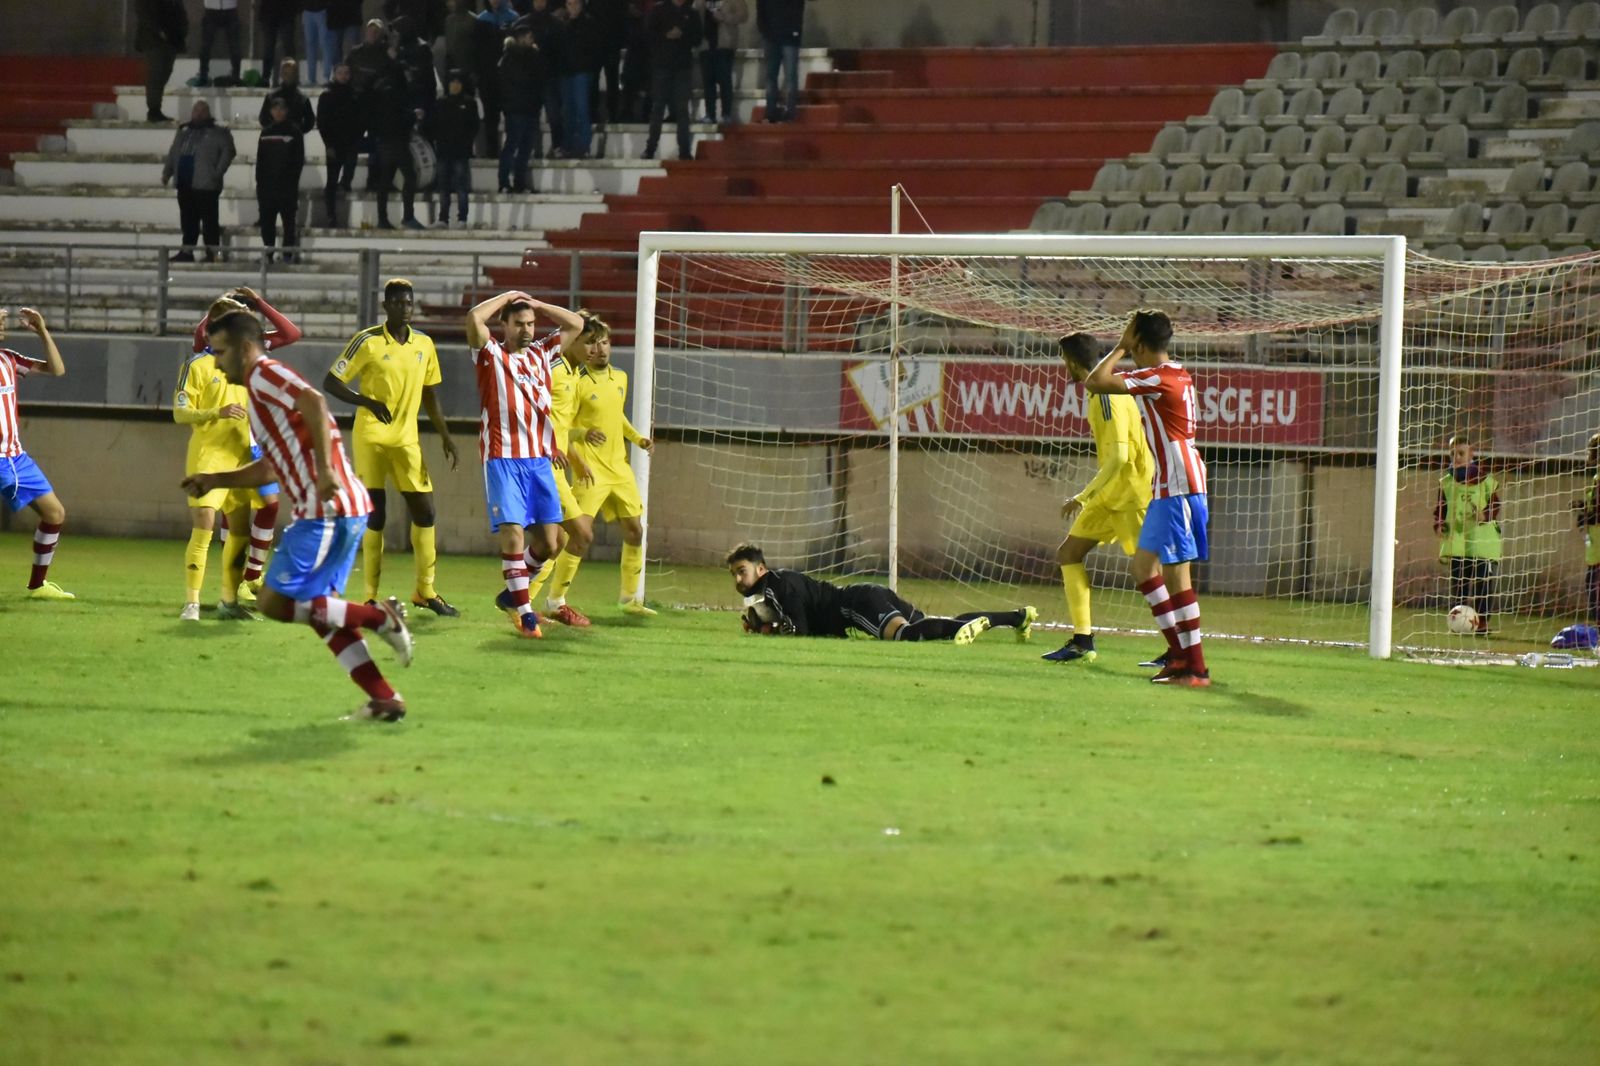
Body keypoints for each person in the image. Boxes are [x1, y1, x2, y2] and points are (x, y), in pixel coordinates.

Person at [181, 310, 414, 723]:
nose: (215, 362)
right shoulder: (256, 393)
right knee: (321, 613)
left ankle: (380, 617)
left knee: (273, 601)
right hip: (337, 508)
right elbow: (270, 466)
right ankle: (384, 699)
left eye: (219, 352)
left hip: (326, 508)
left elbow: (314, 400)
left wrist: (324, 471)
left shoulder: (263, 374)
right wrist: (215, 477)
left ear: (244, 347)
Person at [1083, 309, 1212, 686]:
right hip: (1165, 487)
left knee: (1177, 576)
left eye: (1129, 335)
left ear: (1138, 341)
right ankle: (1178, 655)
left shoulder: (1156, 377)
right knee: (1143, 569)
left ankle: (1197, 668)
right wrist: (1129, 341)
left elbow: (1096, 381)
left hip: (1180, 486)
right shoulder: (1177, 372)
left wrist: (1119, 348)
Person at [322, 280, 460, 615]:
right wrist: (365, 400)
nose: (404, 308)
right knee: (376, 514)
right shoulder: (366, 341)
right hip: (371, 437)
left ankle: (425, 592)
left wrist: (444, 434)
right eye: (397, 303)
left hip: (406, 440)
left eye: (408, 303)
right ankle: (370, 595)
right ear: (386, 305)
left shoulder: (424, 344)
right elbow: (331, 382)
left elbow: (429, 393)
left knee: (425, 512)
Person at [464, 290, 588, 638]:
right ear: (504, 324)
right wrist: (505, 298)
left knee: (551, 543)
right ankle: (525, 615)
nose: (527, 329)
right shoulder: (489, 354)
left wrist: (538, 304)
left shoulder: (543, 353)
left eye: (531, 323)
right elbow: (474, 319)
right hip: (503, 460)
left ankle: (511, 596)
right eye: (519, 323)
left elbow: (576, 324)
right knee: (513, 533)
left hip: (538, 461)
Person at [175, 290, 301, 620]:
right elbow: (180, 411)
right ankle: (192, 602)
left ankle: (236, 593)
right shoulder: (202, 360)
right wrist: (221, 306)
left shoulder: (248, 355)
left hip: (246, 451)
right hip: (210, 453)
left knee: (249, 522)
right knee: (207, 524)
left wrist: (257, 304)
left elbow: (291, 334)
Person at [1041, 332, 1155, 665]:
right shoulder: (1099, 391)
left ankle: (1178, 648)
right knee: (1069, 553)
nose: (1064, 367)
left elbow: (1119, 458)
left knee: (1149, 573)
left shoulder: (1106, 395)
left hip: (1131, 494)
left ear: (1074, 361)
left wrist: (1082, 495)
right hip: (1110, 494)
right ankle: (1082, 641)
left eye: (1064, 360)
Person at [727, 544, 1035, 642]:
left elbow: (802, 630)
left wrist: (769, 631)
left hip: (855, 604)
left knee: (905, 636)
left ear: (761, 569)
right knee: (927, 625)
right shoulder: (778, 585)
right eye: (734, 574)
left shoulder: (776, 586)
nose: (739, 579)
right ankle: (1017, 617)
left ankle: (962, 630)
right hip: (866, 594)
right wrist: (768, 626)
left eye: (742, 570)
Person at [562, 313, 659, 615]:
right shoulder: (575, 382)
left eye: (605, 342)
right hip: (589, 469)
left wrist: (637, 438)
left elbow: (616, 415)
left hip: (619, 468)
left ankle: (629, 600)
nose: (600, 349)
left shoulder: (621, 378)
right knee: (577, 536)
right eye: (593, 343)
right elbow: (562, 426)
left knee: (635, 531)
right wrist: (583, 433)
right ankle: (552, 598)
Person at [521, 313, 599, 626]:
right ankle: (545, 602)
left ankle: (520, 602)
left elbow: (562, 424)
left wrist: (575, 458)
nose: (593, 349)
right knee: (581, 534)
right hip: (541, 465)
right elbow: (528, 409)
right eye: (588, 342)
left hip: (554, 465)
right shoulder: (551, 369)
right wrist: (545, 446)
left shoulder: (573, 373)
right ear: (572, 340)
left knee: (555, 543)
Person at [0, 307, 74, 601]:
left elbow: (56, 369)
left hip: (15, 458)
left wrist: (43, 332)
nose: (2, 326)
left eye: (3, 321)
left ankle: (37, 585)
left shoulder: (8, 358)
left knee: (55, 513)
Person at [1434, 432, 1500, 635]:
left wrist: (1484, 514)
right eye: (1452, 453)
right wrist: (1439, 525)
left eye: (1461, 453)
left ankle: (1482, 624)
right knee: (1459, 583)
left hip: (1482, 542)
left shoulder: (1486, 480)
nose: (1456, 457)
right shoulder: (1446, 481)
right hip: (1459, 541)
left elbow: (1495, 504)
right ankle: (1457, 623)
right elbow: (1441, 508)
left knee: (1483, 584)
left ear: (1471, 453)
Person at [160, 101, 236, 263]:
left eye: (203, 110)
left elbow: (229, 151)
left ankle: (212, 252)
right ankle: (187, 251)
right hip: (185, 182)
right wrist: (168, 172)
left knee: (209, 220)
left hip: (207, 184)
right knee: (188, 220)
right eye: (196, 110)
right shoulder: (183, 131)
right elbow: (174, 152)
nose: (199, 113)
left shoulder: (219, 132)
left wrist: (217, 172)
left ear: (209, 113)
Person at [369, 51, 425, 229]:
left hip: (385, 140)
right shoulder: (397, 91)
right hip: (396, 140)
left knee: (385, 180)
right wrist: (413, 116)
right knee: (410, 176)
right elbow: (397, 116)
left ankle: (382, 218)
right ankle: (408, 216)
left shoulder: (381, 88)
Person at [643, 0, 701, 161]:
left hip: (682, 67)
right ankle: (650, 148)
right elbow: (648, 34)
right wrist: (666, 35)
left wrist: (683, 35)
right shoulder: (659, 10)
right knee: (658, 108)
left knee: (682, 109)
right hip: (662, 65)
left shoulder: (692, 13)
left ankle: (684, 150)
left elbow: (697, 38)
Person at [255, 98, 306, 261]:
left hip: (287, 187)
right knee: (267, 223)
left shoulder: (295, 132)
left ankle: (287, 254)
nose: (278, 112)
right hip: (267, 187)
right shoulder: (265, 132)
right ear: (270, 111)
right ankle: (268, 254)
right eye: (275, 109)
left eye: (282, 108)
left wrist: (291, 182)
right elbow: (260, 161)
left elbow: (298, 161)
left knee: (288, 223)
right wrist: (260, 184)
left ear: (287, 111)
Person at [497, 19, 544, 192]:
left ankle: (519, 183)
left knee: (525, 148)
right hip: (516, 109)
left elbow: (539, 78)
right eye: (529, 37)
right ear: (521, 38)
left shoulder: (532, 56)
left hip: (531, 108)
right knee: (512, 146)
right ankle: (503, 182)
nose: (532, 40)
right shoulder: (510, 58)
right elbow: (523, 80)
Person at [429, 70, 480, 226]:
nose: (455, 85)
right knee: (443, 187)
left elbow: (474, 126)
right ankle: (443, 218)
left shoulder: (469, 103)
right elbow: (434, 125)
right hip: (444, 151)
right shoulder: (441, 103)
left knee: (461, 187)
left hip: (461, 151)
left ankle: (462, 218)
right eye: (452, 82)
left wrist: (466, 142)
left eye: (458, 82)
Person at [317, 62, 362, 225]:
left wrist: (357, 137)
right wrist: (328, 144)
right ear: (334, 75)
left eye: (346, 73)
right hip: (334, 144)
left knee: (348, 173)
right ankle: (331, 215)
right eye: (340, 73)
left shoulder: (355, 95)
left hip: (351, 143)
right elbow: (322, 122)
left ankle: (343, 188)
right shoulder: (327, 96)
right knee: (331, 180)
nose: (344, 76)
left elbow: (360, 119)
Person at [558, 0, 604, 158]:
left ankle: (583, 145)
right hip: (566, 72)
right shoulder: (562, 24)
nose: (573, 7)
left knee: (581, 108)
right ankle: (568, 144)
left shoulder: (589, 23)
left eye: (576, 4)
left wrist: (588, 65)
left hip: (582, 71)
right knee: (568, 110)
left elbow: (595, 48)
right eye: (570, 4)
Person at [135, 0, 188, 123]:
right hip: (153, 40)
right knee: (155, 74)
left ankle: (155, 107)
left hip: (172, 39)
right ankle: (154, 109)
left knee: (165, 72)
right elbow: (143, 14)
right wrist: (158, 31)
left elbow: (180, 11)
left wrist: (182, 30)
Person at [697, 0, 746, 124]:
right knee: (708, 82)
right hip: (705, 45)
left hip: (724, 45)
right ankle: (710, 114)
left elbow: (743, 15)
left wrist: (725, 17)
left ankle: (726, 114)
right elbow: (694, 15)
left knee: (725, 81)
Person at [756, 0, 805, 122]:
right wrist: (764, 31)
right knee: (772, 76)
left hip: (790, 36)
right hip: (771, 37)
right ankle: (771, 111)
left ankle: (789, 112)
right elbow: (760, 10)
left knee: (789, 76)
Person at [1575, 432, 1600, 625]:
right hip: (1595, 547)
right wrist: (1584, 509)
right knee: (1591, 587)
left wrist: (1586, 515)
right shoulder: (1596, 478)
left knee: (1594, 589)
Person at [259, 58, 317, 133]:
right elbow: (263, 118)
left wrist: (298, 131)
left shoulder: (302, 99)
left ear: (296, 75)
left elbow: (310, 121)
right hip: (275, 139)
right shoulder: (271, 97)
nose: (289, 76)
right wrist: (274, 129)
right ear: (281, 74)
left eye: (292, 73)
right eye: (286, 73)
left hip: (295, 140)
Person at [194, 0, 243, 87]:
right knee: (206, 45)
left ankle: (236, 75)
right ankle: (203, 75)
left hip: (230, 8)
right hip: (211, 9)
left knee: (234, 45)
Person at [259, 0, 300, 85]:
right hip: (269, 12)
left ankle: (292, 77)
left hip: (286, 12)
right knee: (269, 48)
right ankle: (265, 78)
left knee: (288, 47)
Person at [301, 0, 335, 85]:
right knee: (310, 45)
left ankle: (326, 76)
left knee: (325, 44)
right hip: (307, 10)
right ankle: (310, 78)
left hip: (323, 10)